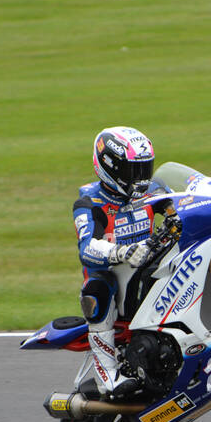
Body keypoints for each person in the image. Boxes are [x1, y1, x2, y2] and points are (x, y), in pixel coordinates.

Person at [71, 126, 158, 398]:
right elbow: (86, 249)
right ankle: (107, 374)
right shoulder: (89, 203)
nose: (142, 180)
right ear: (111, 167)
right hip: (117, 286)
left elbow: (181, 207)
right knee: (97, 286)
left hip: (149, 270)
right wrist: (121, 252)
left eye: (146, 170)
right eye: (135, 172)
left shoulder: (154, 191)